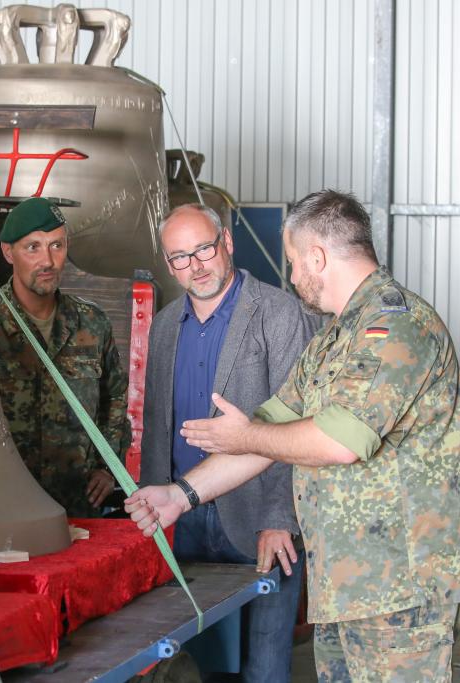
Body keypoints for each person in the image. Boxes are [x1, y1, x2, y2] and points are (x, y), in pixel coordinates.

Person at [126, 190, 460, 682]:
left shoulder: (395, 326)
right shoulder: (335, 338)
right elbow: (267, 434)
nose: (290, 276)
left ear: (317, 257)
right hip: (348, 583)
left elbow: (337, 441)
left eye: (292, 262)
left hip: (402, 585)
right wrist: (180, 496)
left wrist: (248, 434)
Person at [143, 203, 318, 682]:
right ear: (168, 262)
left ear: (227, 244)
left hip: (259, 520)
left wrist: (279, 518)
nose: (195, 266)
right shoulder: (163, 325)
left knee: (264, 665)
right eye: (179, 257)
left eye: (203, 249)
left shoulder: (280, 314)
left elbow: (298, 427)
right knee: (195, 662)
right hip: (183, 520)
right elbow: (157, 422)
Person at [0, 196, 130, 518]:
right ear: (8, 252)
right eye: (33, 248)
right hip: (3, 505)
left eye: (57, 246)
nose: (48, 261)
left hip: (79, 504)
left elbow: (115, 400)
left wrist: (108, 467)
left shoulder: (91, 323)